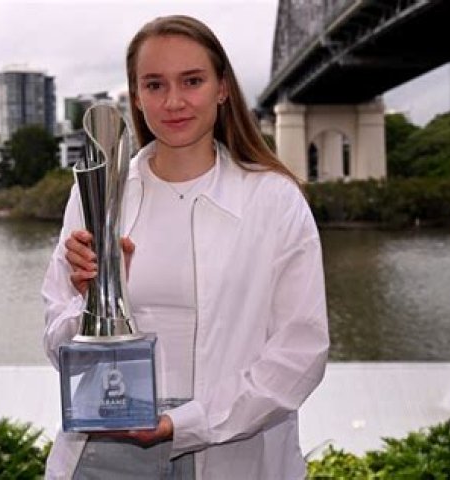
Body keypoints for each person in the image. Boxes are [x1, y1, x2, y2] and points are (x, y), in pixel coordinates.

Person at [42, 15, 329, 480]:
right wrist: (91, 300)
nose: (173, 101)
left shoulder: (274, 200)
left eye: (192, 81)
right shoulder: (97, 193)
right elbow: (58, 348)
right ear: (136, 96)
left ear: (222, 88)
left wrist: (185, 423)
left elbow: (301, 350)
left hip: (232, 448)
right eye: (154, 85)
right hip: (103, 449)